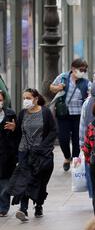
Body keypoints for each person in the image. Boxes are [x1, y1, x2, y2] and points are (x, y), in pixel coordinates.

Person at [8, 89, 56, 222]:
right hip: (24, 151)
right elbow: (19, 132)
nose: (25, 100)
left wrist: (43, 146)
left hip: (40, 153)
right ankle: (23, 209)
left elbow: (53, 131)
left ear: (35, 98)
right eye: (24, 98)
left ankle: (39, 204)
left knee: (40, 181)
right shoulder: (22, 113)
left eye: (28, 97)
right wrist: (14, 128)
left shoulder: (45, 112)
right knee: (25, 180)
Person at [50, 58, 90, 172]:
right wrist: (58, 88)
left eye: (85, 70)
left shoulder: (85, 82)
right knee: (63, 138)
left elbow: (92, 91)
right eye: (81, 69)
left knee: (77, 139)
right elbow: (51, 87)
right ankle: (67, 157)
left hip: (78, 114)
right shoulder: (63, 77)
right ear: (73, 68)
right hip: (64, 113)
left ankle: (75, 160)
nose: (83, 72)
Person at [0, 90, 18, 217]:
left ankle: (3, 207)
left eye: (0, 100)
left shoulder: (10, 114)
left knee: (5, 183)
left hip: (7, 155)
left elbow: (18, 134)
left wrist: (14, 128)